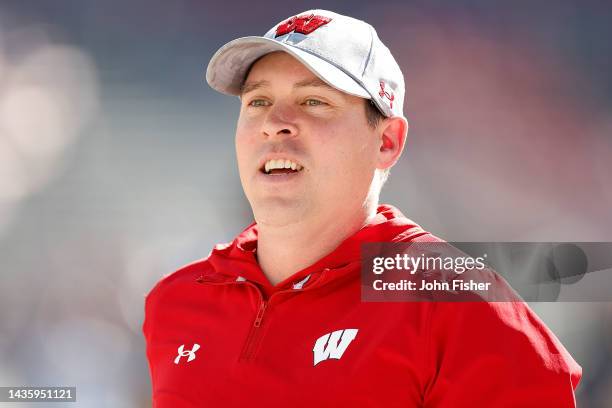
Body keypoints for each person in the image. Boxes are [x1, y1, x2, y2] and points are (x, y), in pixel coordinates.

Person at [143, 9, 581, 407]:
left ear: (386, 141)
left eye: (314, 101)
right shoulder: (175, 301)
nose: (275, 124)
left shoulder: (449, 298)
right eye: (258, 102)